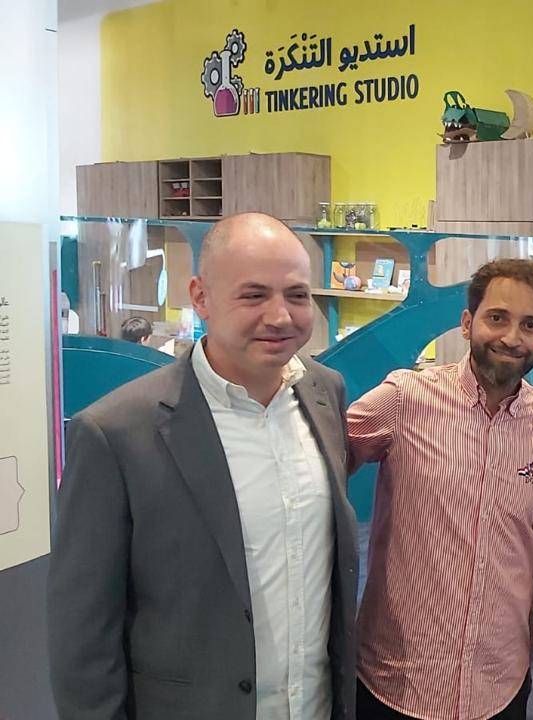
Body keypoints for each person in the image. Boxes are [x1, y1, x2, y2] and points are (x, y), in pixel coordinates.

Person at [48, 212, 359, 720]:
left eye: (297, 295)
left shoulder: (325, 392)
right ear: (200, 297)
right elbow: (83, 634)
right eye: (253, 295)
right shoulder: (116, 433)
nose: (281, 316)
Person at [347, 258, 533, 720]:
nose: (511, 337)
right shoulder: (405, 398)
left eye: (530, 325)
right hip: (398, 683)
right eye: (497, 318)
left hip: (500, 685)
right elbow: (315, 465)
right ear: (468, 323)